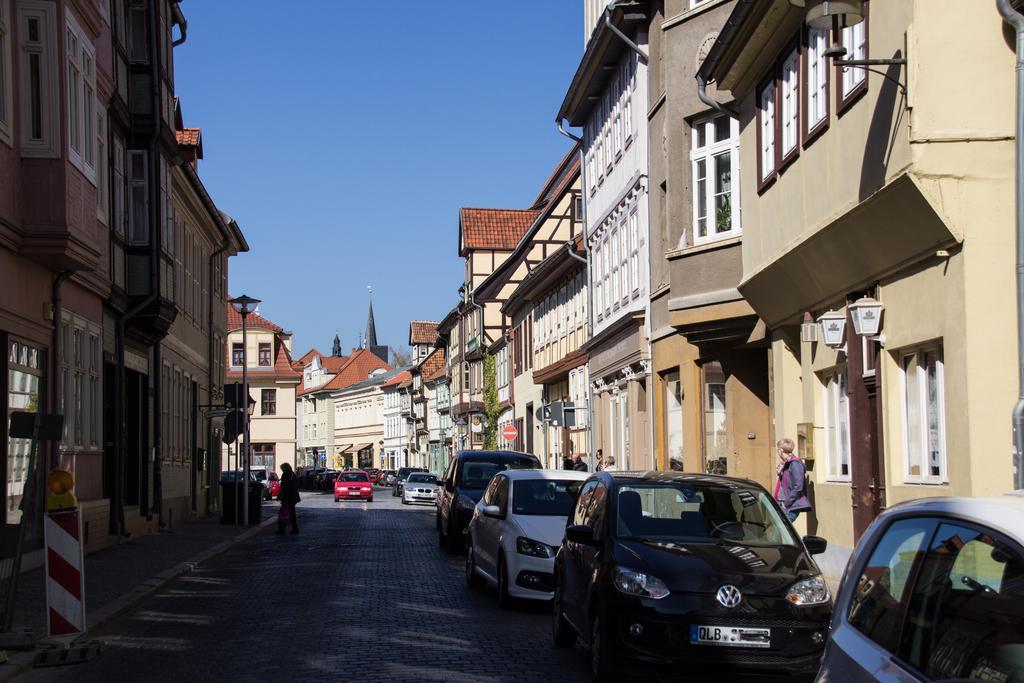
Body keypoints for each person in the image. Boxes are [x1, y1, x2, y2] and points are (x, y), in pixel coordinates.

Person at [774, 438, 811, 523]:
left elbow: (798, 486)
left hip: (790, 506)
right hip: (782, 503)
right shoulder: (785, 463)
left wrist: (787, 502)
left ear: (781, 450)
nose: (777, 452)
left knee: (779, 533)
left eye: (777, 449)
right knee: (778, 533)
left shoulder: (795, 464)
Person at [276, 462, 300, 535]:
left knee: (284, 513)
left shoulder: (286, 475)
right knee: (290, 513)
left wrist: (282, 497)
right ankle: (293, 529)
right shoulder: (292, 474)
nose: (281, 470)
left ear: (284, 468)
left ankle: (282, 529)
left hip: (288, 497)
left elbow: (285, 487)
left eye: (282, 468)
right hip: (293, 497)